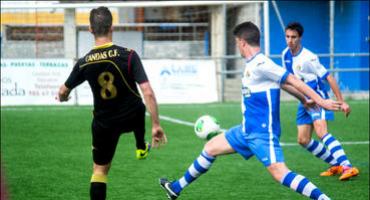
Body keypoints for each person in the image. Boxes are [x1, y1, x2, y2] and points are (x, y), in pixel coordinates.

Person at [159, 21, 343, 200]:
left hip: (262, 133)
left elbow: (293, 80)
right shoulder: (253, 64)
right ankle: (175, 188)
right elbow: (284, 85)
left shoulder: (262, 63)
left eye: (237, 42)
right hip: (246, 130)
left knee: (281, 174)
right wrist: (304, 99)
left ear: (242, 42)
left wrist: (321, 101)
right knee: (210, 148)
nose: (237, 46)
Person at [56, 7, 167, 200]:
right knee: (138, 105)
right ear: (111, 28)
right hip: (132, 117)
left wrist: (63, 98)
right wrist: (156, 124)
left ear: (90, 29)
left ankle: (140, 147)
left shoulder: (84, 62)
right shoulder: (129, 55)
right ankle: (140, 146)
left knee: (99, 171)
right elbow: (147, 92)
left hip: (104, 124)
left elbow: (63, 91)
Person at [281, 22, 359, 180]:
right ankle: (335, 164)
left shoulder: (309, 57)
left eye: (294, 37)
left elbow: (328, 77)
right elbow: (290, 81)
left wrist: (341, 101)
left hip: (318, 98)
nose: (290, 40)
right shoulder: (285, 55)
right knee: (303, 140)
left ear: (300, 38)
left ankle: (347, 166)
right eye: (287, 36)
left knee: (322, 132)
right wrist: (302, 99)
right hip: (304, 99)